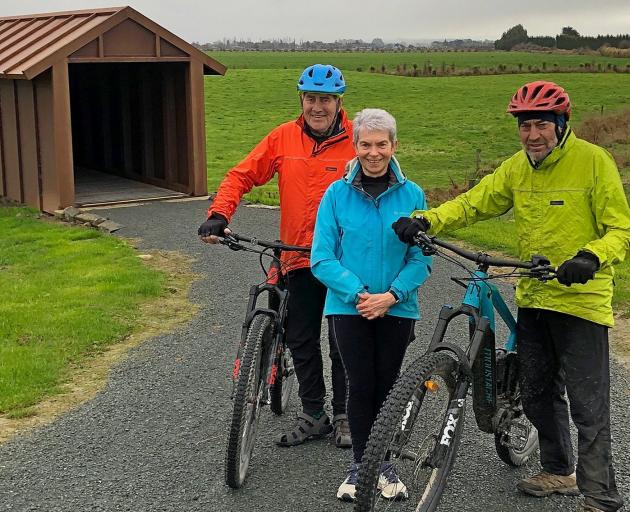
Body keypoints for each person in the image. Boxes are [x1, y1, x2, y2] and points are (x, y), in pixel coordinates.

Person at [393, 80, 630, 512]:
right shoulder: (516, 168)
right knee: (538, 392)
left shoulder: (594, 163)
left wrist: (591, 257)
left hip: (582, 302)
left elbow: (621, 230)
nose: (533, 135)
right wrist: (426, 218)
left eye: (542, 124)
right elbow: (473, 203)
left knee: (588, 406)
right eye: (525, 126)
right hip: (535, 296)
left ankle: (601, 498)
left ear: (562, 124)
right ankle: (559, 470)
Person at [198, 64, 355, 448]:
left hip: (344, 262)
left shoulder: (358, 142)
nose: (317, 107)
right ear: (301, 99)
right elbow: (242, 175)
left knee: (342, 342)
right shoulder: (284, 137)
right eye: (311, 99)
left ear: (339, 102)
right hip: (297, 258)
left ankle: (346, 415)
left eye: (326, 100)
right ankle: (314, 412)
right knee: (301, 338)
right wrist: (220, 214)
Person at [311, 108, 432, 501]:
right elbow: (322, 257)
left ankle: (384, 462)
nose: (374, 152)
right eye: (366, 144)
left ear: (394, 146)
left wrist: (392, 295)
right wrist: (360, 293)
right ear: (355, 144)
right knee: (360, 385)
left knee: (388, 386)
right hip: (350, 307)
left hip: (397, 306)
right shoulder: (336, 194)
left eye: (382, 144)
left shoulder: (413, 194)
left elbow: (421, 258)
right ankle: (362, 466)